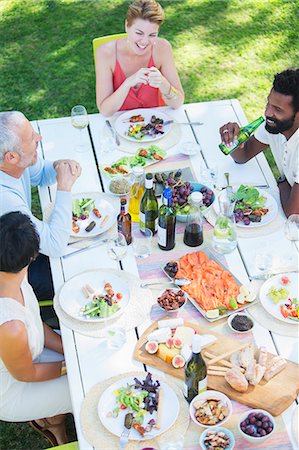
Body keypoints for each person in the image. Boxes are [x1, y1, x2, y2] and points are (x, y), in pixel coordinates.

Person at [0, 212, 72, 446]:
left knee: (82, 342)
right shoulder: (9, 326)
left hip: (32, 352)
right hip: (15, 387)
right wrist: (71, 365)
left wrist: (67, 349)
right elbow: (26, 374)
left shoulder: (14, 274)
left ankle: (52, 418)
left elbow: (34, 321)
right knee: (90, 388)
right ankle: (49, 417)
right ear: (32, 256)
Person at [0, 111, 81, 302]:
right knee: (74, 276)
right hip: (11, 272)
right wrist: (64, 187)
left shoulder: (14, 163)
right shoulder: (6, 201)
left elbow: (42, 174)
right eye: (31, 138)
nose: (39, 138)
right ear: (11, 157)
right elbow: (55, 245)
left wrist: (60, 166)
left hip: (21, 250)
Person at [219, 68, 299, 217]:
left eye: (278, 109)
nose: (267, 113)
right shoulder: (275, 126)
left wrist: (281, 181)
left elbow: (293, 213)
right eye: (268, 104)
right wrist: (234, 139)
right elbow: (243, 155)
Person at [96, 0, 184, 116]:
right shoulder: (105, 52)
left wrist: (164, 84)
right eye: (139, 33)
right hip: (118, 126)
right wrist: (127, 83)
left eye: (152, 35)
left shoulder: (163, 48)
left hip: (154, 127)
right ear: (127, 26)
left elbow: (177, 103)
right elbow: (105, 111)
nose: (145, 41)